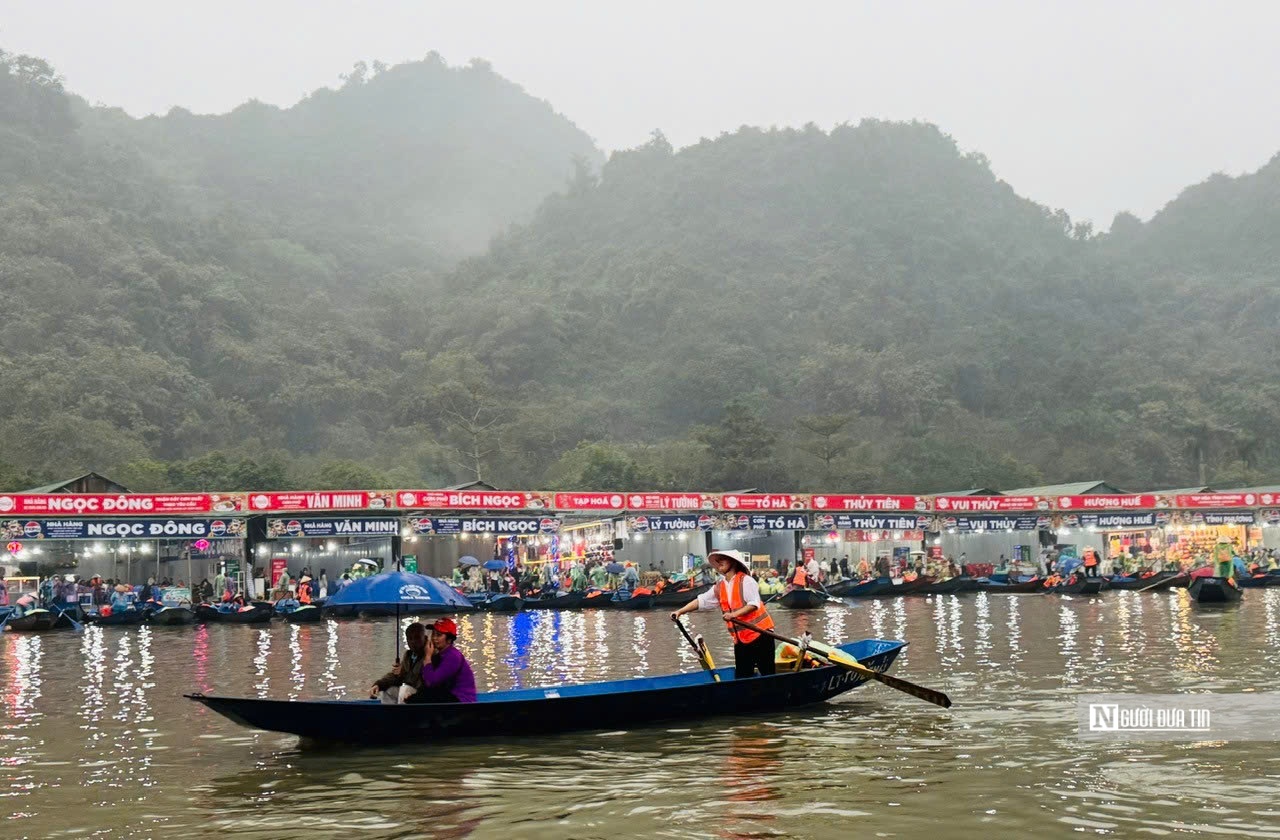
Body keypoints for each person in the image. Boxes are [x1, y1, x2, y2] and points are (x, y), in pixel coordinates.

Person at [671, 549, 776, 679]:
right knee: (743, 677)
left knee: (768, 674)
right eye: (718, 560)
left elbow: (754, 604)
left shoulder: (746, 581)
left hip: (761, 634)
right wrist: (680, 611)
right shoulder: (720, 586)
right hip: (741, 639)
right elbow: (701, 601)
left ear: (733, 562)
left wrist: (733, 615)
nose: (719, 562)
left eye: (723, 559)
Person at [411, 618, 477, 703]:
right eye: (433, 634)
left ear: (449, 639)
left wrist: (427, 657)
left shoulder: (453, 656)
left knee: (425, 695)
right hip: (450, 695)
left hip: (461, 700)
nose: (434, 638)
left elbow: (431, 681)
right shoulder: (441, 655)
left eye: (438, 635)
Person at [370, 622, 429, 704]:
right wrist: (379, 684)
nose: (413, 642)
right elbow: (396, 676)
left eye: (417, 638)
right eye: (410, 639)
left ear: (425, 638)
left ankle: (404, 716)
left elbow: (423, 682)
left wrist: (403, 673)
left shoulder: (430, 655)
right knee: (388, 690)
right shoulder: (409, 655)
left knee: (404, 690)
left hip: (422, 695)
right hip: (410, 692)